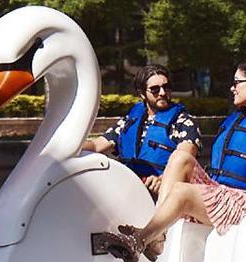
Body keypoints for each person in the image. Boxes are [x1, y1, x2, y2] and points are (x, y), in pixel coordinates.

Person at [103, 61, 246, 262]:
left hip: (243, 203)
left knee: (181, 191)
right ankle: (158, 236)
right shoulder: (233, 120)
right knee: (180, 157)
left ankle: (139, 240)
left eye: (237, 82)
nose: (232, 88)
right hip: (219, 193)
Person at [84, 64, 201, 194]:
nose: (162, 93)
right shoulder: (129, 121)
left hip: (164, 193)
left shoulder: (184, 122)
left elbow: (185, 158)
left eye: (166, 87)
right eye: (155, 89)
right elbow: (96, 145)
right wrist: (70, 145)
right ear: (142, 94)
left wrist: (163, 179)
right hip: (127, 189)